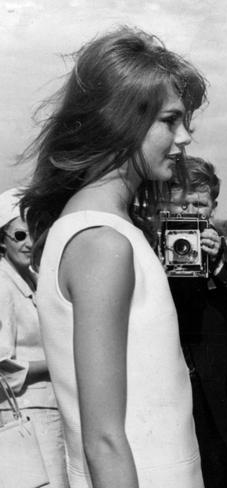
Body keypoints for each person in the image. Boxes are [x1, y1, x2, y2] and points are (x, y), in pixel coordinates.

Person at [20, 27, 207, 488]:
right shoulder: (103, 242)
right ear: (121, 120)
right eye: (170, 120)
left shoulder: (96, 229)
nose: (184, 138)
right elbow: (103, 439)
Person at [162, 155, 227, 488]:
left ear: (213, 207)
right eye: (181, 204)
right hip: (166, 396)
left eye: (199, 205)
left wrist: (216, 265)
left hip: (217, 402)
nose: (189, 213)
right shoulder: (148, 256)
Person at [0, 188, 69, 488]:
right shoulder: (2, 285)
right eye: (19, 235)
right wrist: (61, 362)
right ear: (1, 240)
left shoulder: (33, 278)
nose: (29, 243)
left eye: (34, 234)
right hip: (27, 416)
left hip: (50, 409)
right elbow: (2, 366)